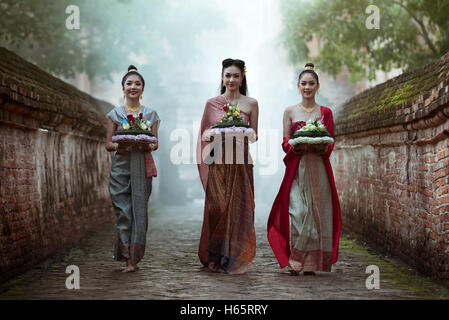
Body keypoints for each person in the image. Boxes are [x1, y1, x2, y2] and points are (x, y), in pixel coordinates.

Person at [267, 63, 341, 275]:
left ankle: (308, 263)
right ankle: (298, 256)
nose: (307, 87)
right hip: (296, 169)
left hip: (318, 167)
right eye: (303, 83)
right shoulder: (289, 111)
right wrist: (295, 147)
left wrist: (319, 146)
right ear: (298, 86)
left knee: (318, 213)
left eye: (311, 83)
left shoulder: (325, 112)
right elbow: (284, 142)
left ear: (318, 86)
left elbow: (331, 141)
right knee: (298, 211)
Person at [197, 58, 259, 274]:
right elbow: (205, 133)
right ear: (222, 77)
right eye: (228, 75)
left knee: (236, 210)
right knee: (217, 208)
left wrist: (242, 133)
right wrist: (214, 133)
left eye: (236, 75)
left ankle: (229, 256)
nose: (231, 79)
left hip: (240, 163)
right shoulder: (212, 103)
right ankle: (213, 254)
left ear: (242, 78)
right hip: (218, 162)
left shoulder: (251, 103)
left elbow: (254, 135)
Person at [105, 65, 160, 273]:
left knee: (138, 212)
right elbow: (108, 144)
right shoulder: (115, 114)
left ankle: (132, 260)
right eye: (129, 83)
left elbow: (156, 143)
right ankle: (126, 253)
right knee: (124, 212)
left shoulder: (151, 114)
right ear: (123, 88)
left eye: (137, 84)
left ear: (143, 89)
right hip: (120, 169)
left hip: (142, 169)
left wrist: (145, 144)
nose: (133, 87)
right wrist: (125, 144)